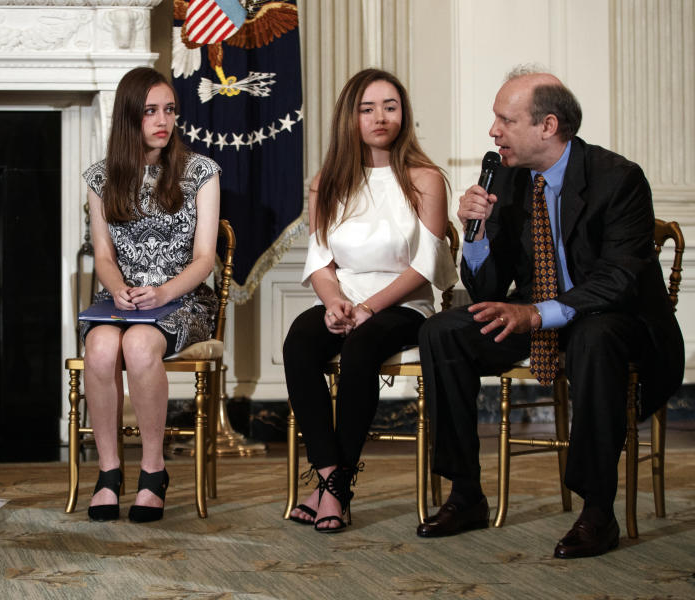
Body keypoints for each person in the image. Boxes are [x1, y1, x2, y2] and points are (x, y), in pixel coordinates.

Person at [416, 66, 684, 558]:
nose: (493, 131)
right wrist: (474, 233)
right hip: (538, 310)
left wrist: (539, 315)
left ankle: (597, 511)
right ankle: (466, 494)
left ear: (548, 125)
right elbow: (486, 290)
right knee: (443, 332)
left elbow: (617, 280)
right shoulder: (507, 177)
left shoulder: (618, 178)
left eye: (504, 120)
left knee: (593, 336)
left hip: (617, 319)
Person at [282, 69, 457, 533]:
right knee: (300, 340)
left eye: (390, 106)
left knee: (361, 348)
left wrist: (367, 309)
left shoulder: (426, 179)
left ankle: (333, 492)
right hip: (347, 300)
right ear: (351, 118)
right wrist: (335, 301)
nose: (380, 117)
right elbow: (320, 259)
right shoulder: (328, 182)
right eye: (367, 108)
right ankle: (329, 477)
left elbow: (424, 266)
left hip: (403, 305)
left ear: (404, 114)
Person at [81, 67, 220, 523]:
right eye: (150, 111)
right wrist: (119, 289)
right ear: (128, 117)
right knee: (100, 348)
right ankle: (107, 472)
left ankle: (153, 471)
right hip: (122, 301)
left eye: (170, 110)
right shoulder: (101, 178)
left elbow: (204, 260)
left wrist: (162, 291)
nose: (163, 121)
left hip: (184, 298)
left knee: (140, 346)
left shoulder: (201, 172)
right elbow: (102, 255)